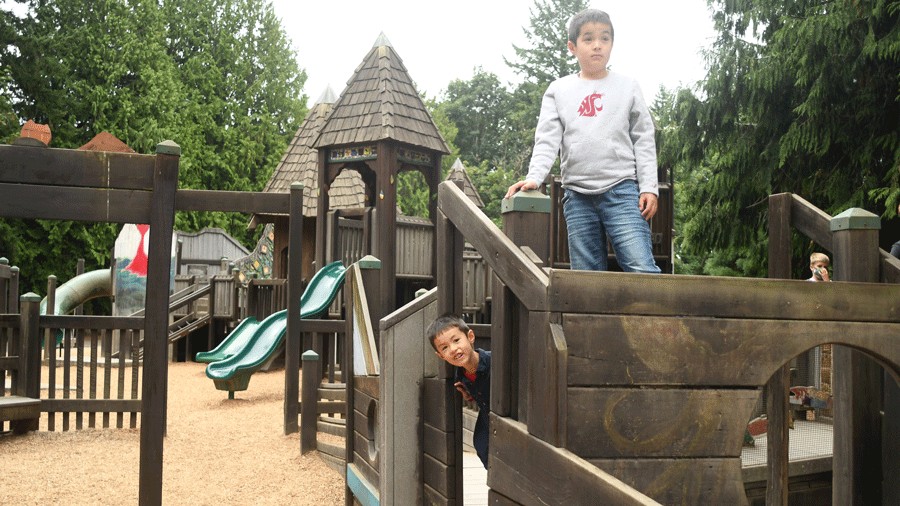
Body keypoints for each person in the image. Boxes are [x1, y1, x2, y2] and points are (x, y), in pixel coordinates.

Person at [504, 8, 660, 273]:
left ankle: (654, 316)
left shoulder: (627, 86)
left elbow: (643, 138)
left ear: (612, 43)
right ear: (572, 46)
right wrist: (535, 177)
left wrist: (649, 187)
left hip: (622, 190)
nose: (597, 45)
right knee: (586, 276)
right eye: (588, 39)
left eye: (605, 38)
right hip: (577, 196)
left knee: (641, 267)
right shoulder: (558, 90)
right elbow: (547, 140)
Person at [426, 314, 491, 469]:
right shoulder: (460, 376)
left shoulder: (493, 361)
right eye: (445, 348)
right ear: (440, 356)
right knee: (482, 443)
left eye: (456, 340)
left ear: (470, 336)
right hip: (487, 417)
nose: (453, 349)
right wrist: (468, 394)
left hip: (507, 416)